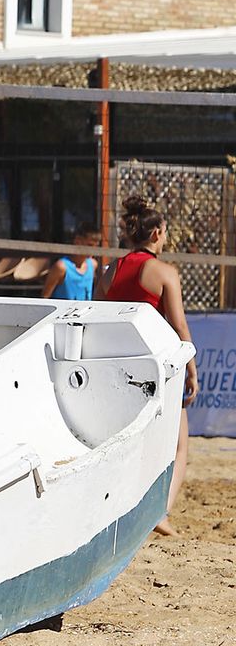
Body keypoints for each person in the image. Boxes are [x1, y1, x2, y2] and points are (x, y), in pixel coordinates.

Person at [104, 195, 198, 530]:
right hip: (155, 369)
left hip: (114, 367)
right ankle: (161, 513)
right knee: (179, 444)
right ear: (157, 233)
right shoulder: (164, 272)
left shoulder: (109, 271)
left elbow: (98, 318)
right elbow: (179, 326)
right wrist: (191, 369)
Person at [39, 228, 100, 302]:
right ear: (78, 241)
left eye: (96, 246)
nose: (93, 250)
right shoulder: (61, 267)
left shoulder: (93, 265)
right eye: (90, 245)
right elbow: (45, 297)